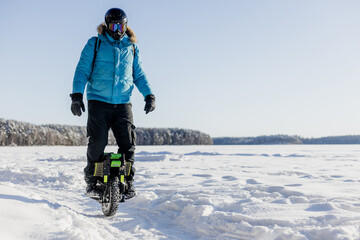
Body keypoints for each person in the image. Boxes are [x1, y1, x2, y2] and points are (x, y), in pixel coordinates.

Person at [70, 8, 155, 199]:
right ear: (106, 25)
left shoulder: (131, 47)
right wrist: (77, 95)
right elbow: (82, 70)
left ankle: (128, 180)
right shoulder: (96, 43)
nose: (117, 30)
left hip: (123, 103)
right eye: (113, 25)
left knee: (128, 143)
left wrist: (149, 95)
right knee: (97, 142)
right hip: (98, 101)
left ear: (126, 26)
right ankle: (93, 181)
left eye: (121, 25)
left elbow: (139, 75)